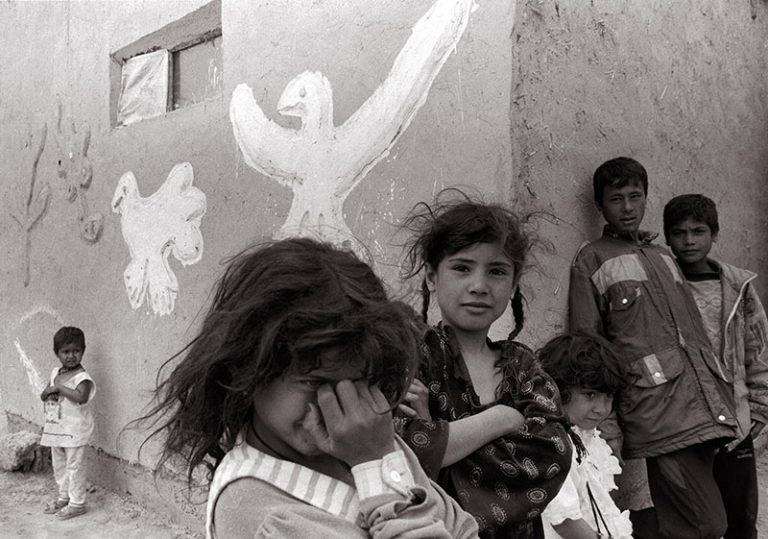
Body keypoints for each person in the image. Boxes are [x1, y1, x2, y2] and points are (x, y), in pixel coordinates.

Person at [138, 237, 479, 539]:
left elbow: (462, 527)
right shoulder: (263, 514)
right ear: (247, 371)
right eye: (314, 382)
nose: (339, 408)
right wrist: (378, 468)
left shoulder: (365, 440)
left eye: (360, 381)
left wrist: (377, 460)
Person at [568, 156, 738, 539]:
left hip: (704, 407)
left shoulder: (664, 256)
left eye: (635, 196)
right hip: (656, 412)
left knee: (684, 521)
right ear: (600, 206)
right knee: (707, 524)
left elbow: (695, 334)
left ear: (646, 197)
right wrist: (605, 421)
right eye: (616, 199)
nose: (628, 208)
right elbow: (589, 348)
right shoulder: (593, 259)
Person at [397, 189, 572, 539]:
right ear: (431, 276)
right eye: (462, 268)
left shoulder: (521, 366)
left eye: (496, 271)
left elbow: (552, 455)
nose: (479, 286)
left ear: (513, 284)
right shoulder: (411, 358)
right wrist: (503, 417)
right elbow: (398, 457)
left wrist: (436, 435)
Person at [663, 193, 768, 539]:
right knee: (697, 520)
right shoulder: (663, 285)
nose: (689, 241)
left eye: (699, 231)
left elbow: (757, 348)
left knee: (741, 517)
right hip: (684, 420)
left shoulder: (737, 287)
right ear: (667, 237)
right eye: (679, 233)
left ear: (715, 234)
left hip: (734, 418)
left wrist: (759, 406)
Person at [537, 332, 633, 539]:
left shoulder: (584, 436)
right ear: (560, 388)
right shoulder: (549, 442)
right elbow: (564, 520)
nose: (602, 409)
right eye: (590, 395)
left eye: (608, 397)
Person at [39, 326, 96, 520]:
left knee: (75, 467)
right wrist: (48, 392)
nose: (71, 356)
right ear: (57, 353)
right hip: (56, 430)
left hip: (75, 431)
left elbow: (81, 397)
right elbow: (45, 393)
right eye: (65, 351)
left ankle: (77, 503)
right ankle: (64, 497)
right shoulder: (56, 373)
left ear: (83, 351)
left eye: (76, 351)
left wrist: (59, 389)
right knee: (60, 466)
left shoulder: (82, 378)